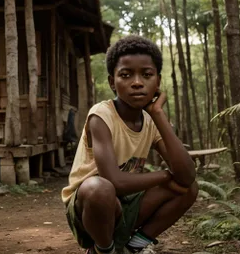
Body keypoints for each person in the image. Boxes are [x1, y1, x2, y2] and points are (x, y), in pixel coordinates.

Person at [62, 35, 198, 254]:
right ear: (111, 82)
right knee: (100, 188)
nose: (137, 82)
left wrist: (157, 113)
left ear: (158, 82)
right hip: (90, 208)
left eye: (146, 75)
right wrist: (165, 175)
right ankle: (103, 250)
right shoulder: (102, 115)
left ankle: (133, 246)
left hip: (127, 204)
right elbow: (113, 180)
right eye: (126, 75)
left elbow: (187, 175)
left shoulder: (152, 121)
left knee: (188, 188)